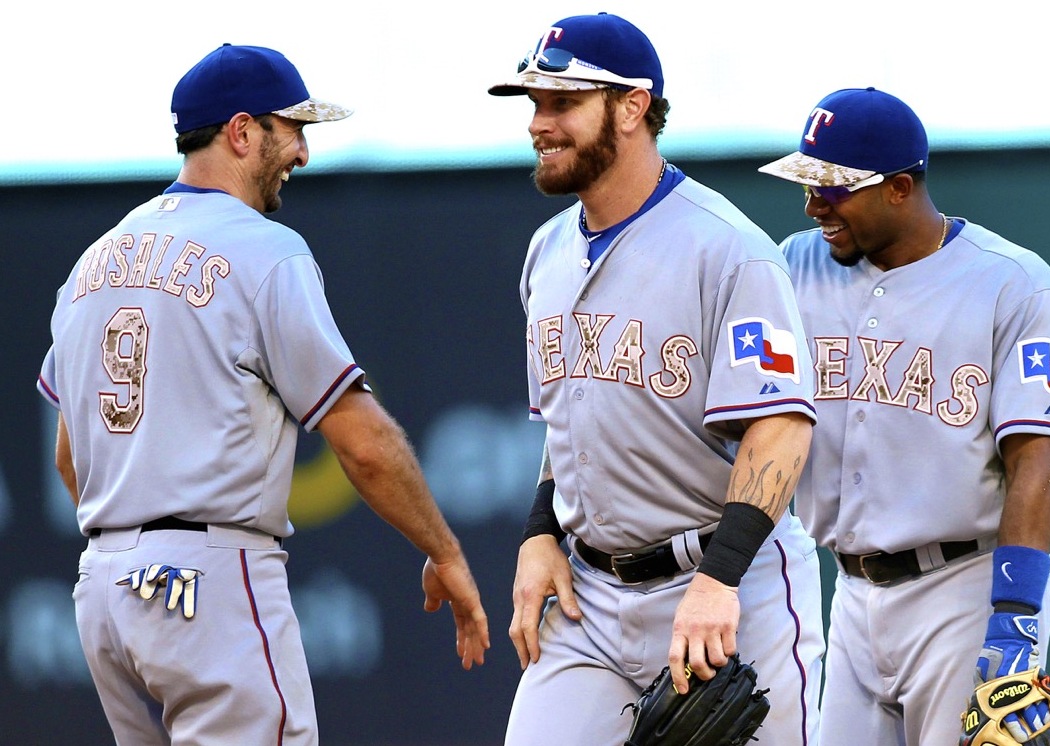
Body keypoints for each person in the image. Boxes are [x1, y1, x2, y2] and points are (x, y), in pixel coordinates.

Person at [36, 43, 489, 744]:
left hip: (104, 589)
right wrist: (447, 552)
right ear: (242, 131)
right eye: (294, 128)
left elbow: (70, 456)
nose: (303, 152)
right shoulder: (263, 249)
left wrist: (131, 543)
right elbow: (364, 445)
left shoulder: (94, 262)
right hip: (205, 583)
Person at [488, 14, 824, 745]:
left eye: (561, 102)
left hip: (728, 585)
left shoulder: (729, 250)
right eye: (534, 104)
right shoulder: (546, 253)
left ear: (632, 107)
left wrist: (722, 578)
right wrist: (539, 532)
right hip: (590, 602)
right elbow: (571, 421)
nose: (539, 124)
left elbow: (782, 429)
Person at [758, 87, 1050, 745]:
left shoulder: (1014, 283)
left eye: (834, 189)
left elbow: (1037, 460)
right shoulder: (793, 265)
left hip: (964, 593)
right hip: (851, 595)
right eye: (809, 186)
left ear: (899, 188)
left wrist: (1016, 617)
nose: (813, 205)